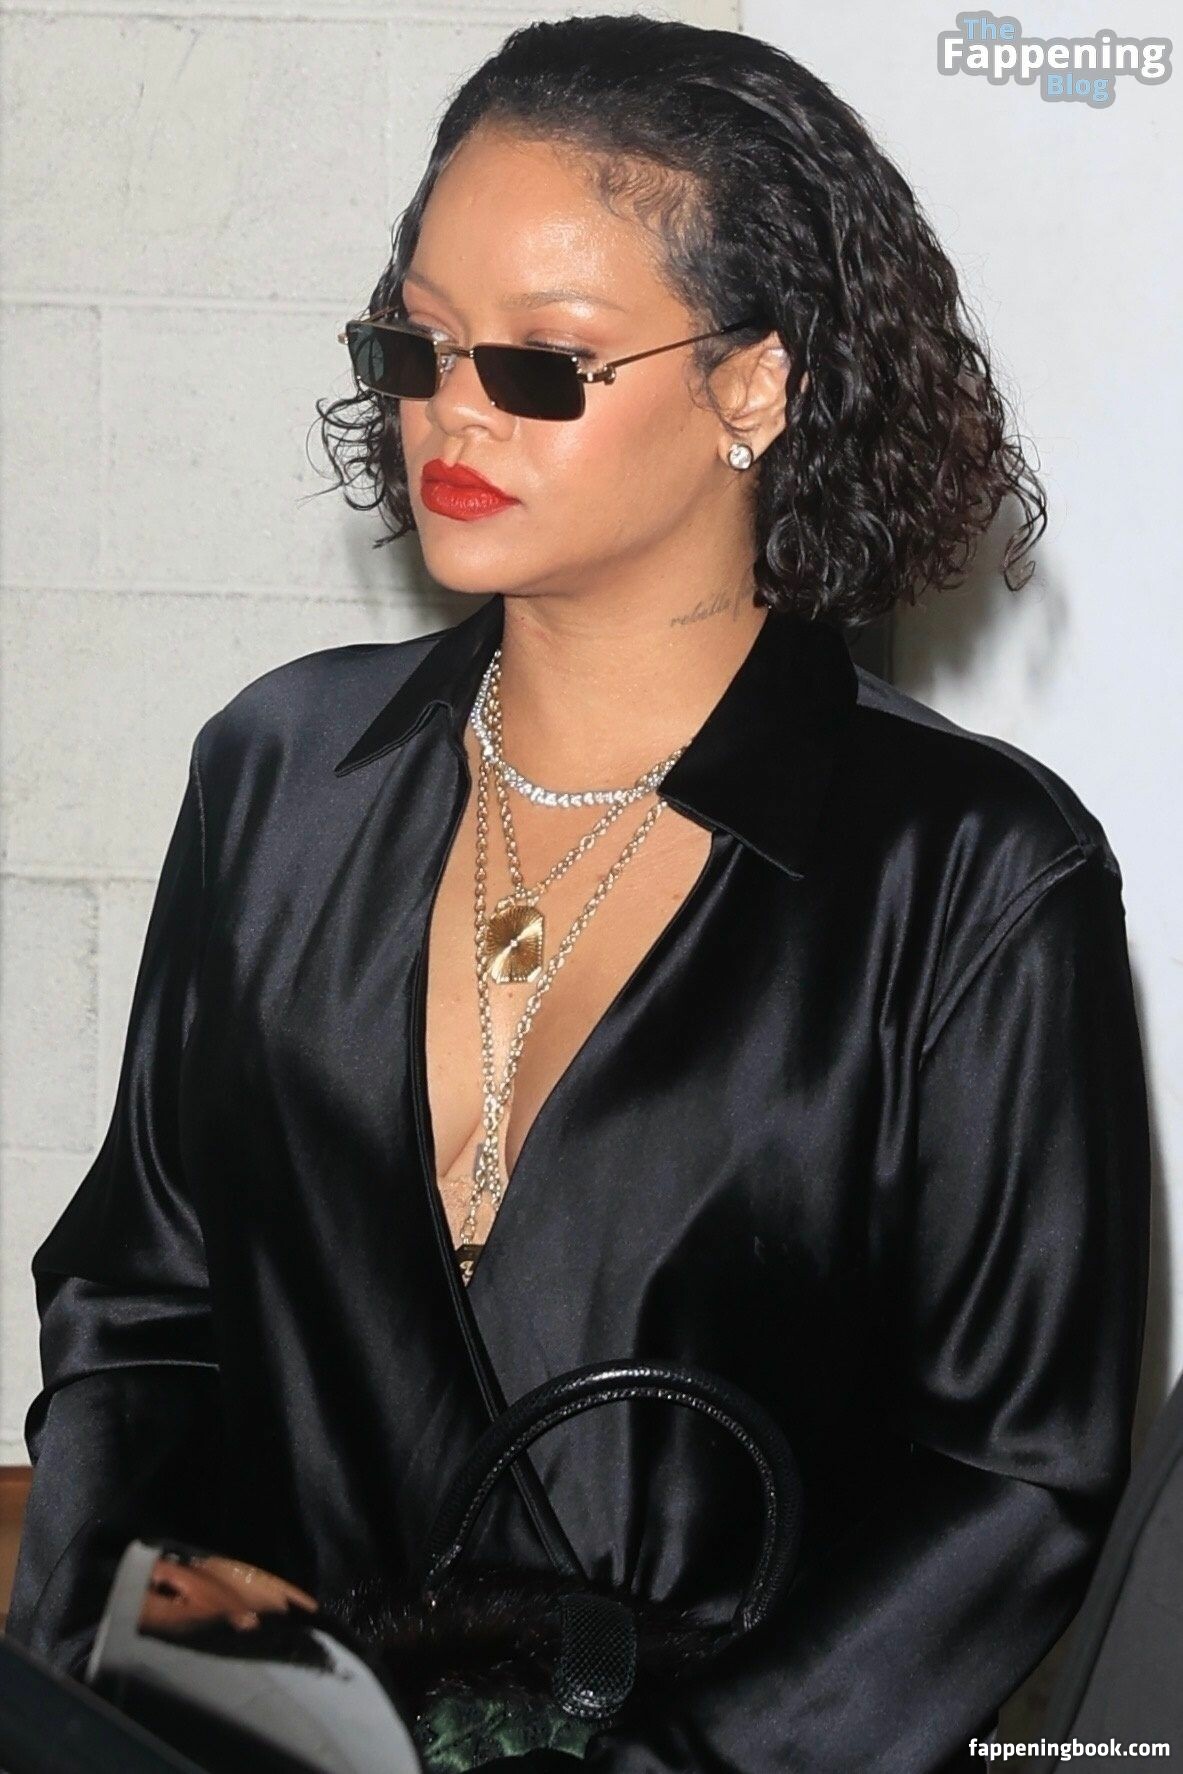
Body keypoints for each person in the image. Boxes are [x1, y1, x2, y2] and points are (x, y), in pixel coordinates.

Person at [6, 14, 1151, 1772]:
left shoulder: (975, 874)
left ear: (751, 387)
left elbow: (1013, 1479)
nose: (452, 411)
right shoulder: (278, 774)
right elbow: (141, 1308)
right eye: (418, 341)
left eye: (543, 364)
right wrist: (179, 1678)